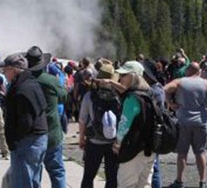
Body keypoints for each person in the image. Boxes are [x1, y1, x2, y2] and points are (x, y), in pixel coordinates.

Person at [164, 61, 207, 188]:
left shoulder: (180, 81)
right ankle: (203, 182)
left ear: (187, 71)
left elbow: (165, 89)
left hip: (183, 121)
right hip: (200, 122)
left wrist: (170, 103)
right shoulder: (206, 83)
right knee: (200, 153)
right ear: (199, 71)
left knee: (182, 153)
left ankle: (179, 181)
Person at [3, 53, 48, 188]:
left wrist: (14, 141)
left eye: (5, 70)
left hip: (27, 142)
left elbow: (26, 121)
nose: (3, 73)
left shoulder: (22, 89)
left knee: (22, 183)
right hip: (38, 139)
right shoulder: (31, 83)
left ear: (14, 69)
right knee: (33, 181)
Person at [27, 46, 68, 188]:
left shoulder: (23, 81)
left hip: (32, 133)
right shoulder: (51, 80)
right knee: (57, 170)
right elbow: (64, 97)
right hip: (52, 131)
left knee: (34, 172)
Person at [111, 60, 155, 188]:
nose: (120, 78)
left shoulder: (132, 98)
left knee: (126, 184)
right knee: (145, 184)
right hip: (150, 147)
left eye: (124, 75)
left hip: (133, 149)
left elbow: (124, 124)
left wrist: (118, 144)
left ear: (133, 76)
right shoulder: (151, 93)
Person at [78, 60, 122, 188]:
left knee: (88, 176)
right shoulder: (119, 96)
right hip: (113, 142)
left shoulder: (90, 96)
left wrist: (82, 139)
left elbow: (82, 120)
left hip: (94, 141)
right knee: (112, 177)